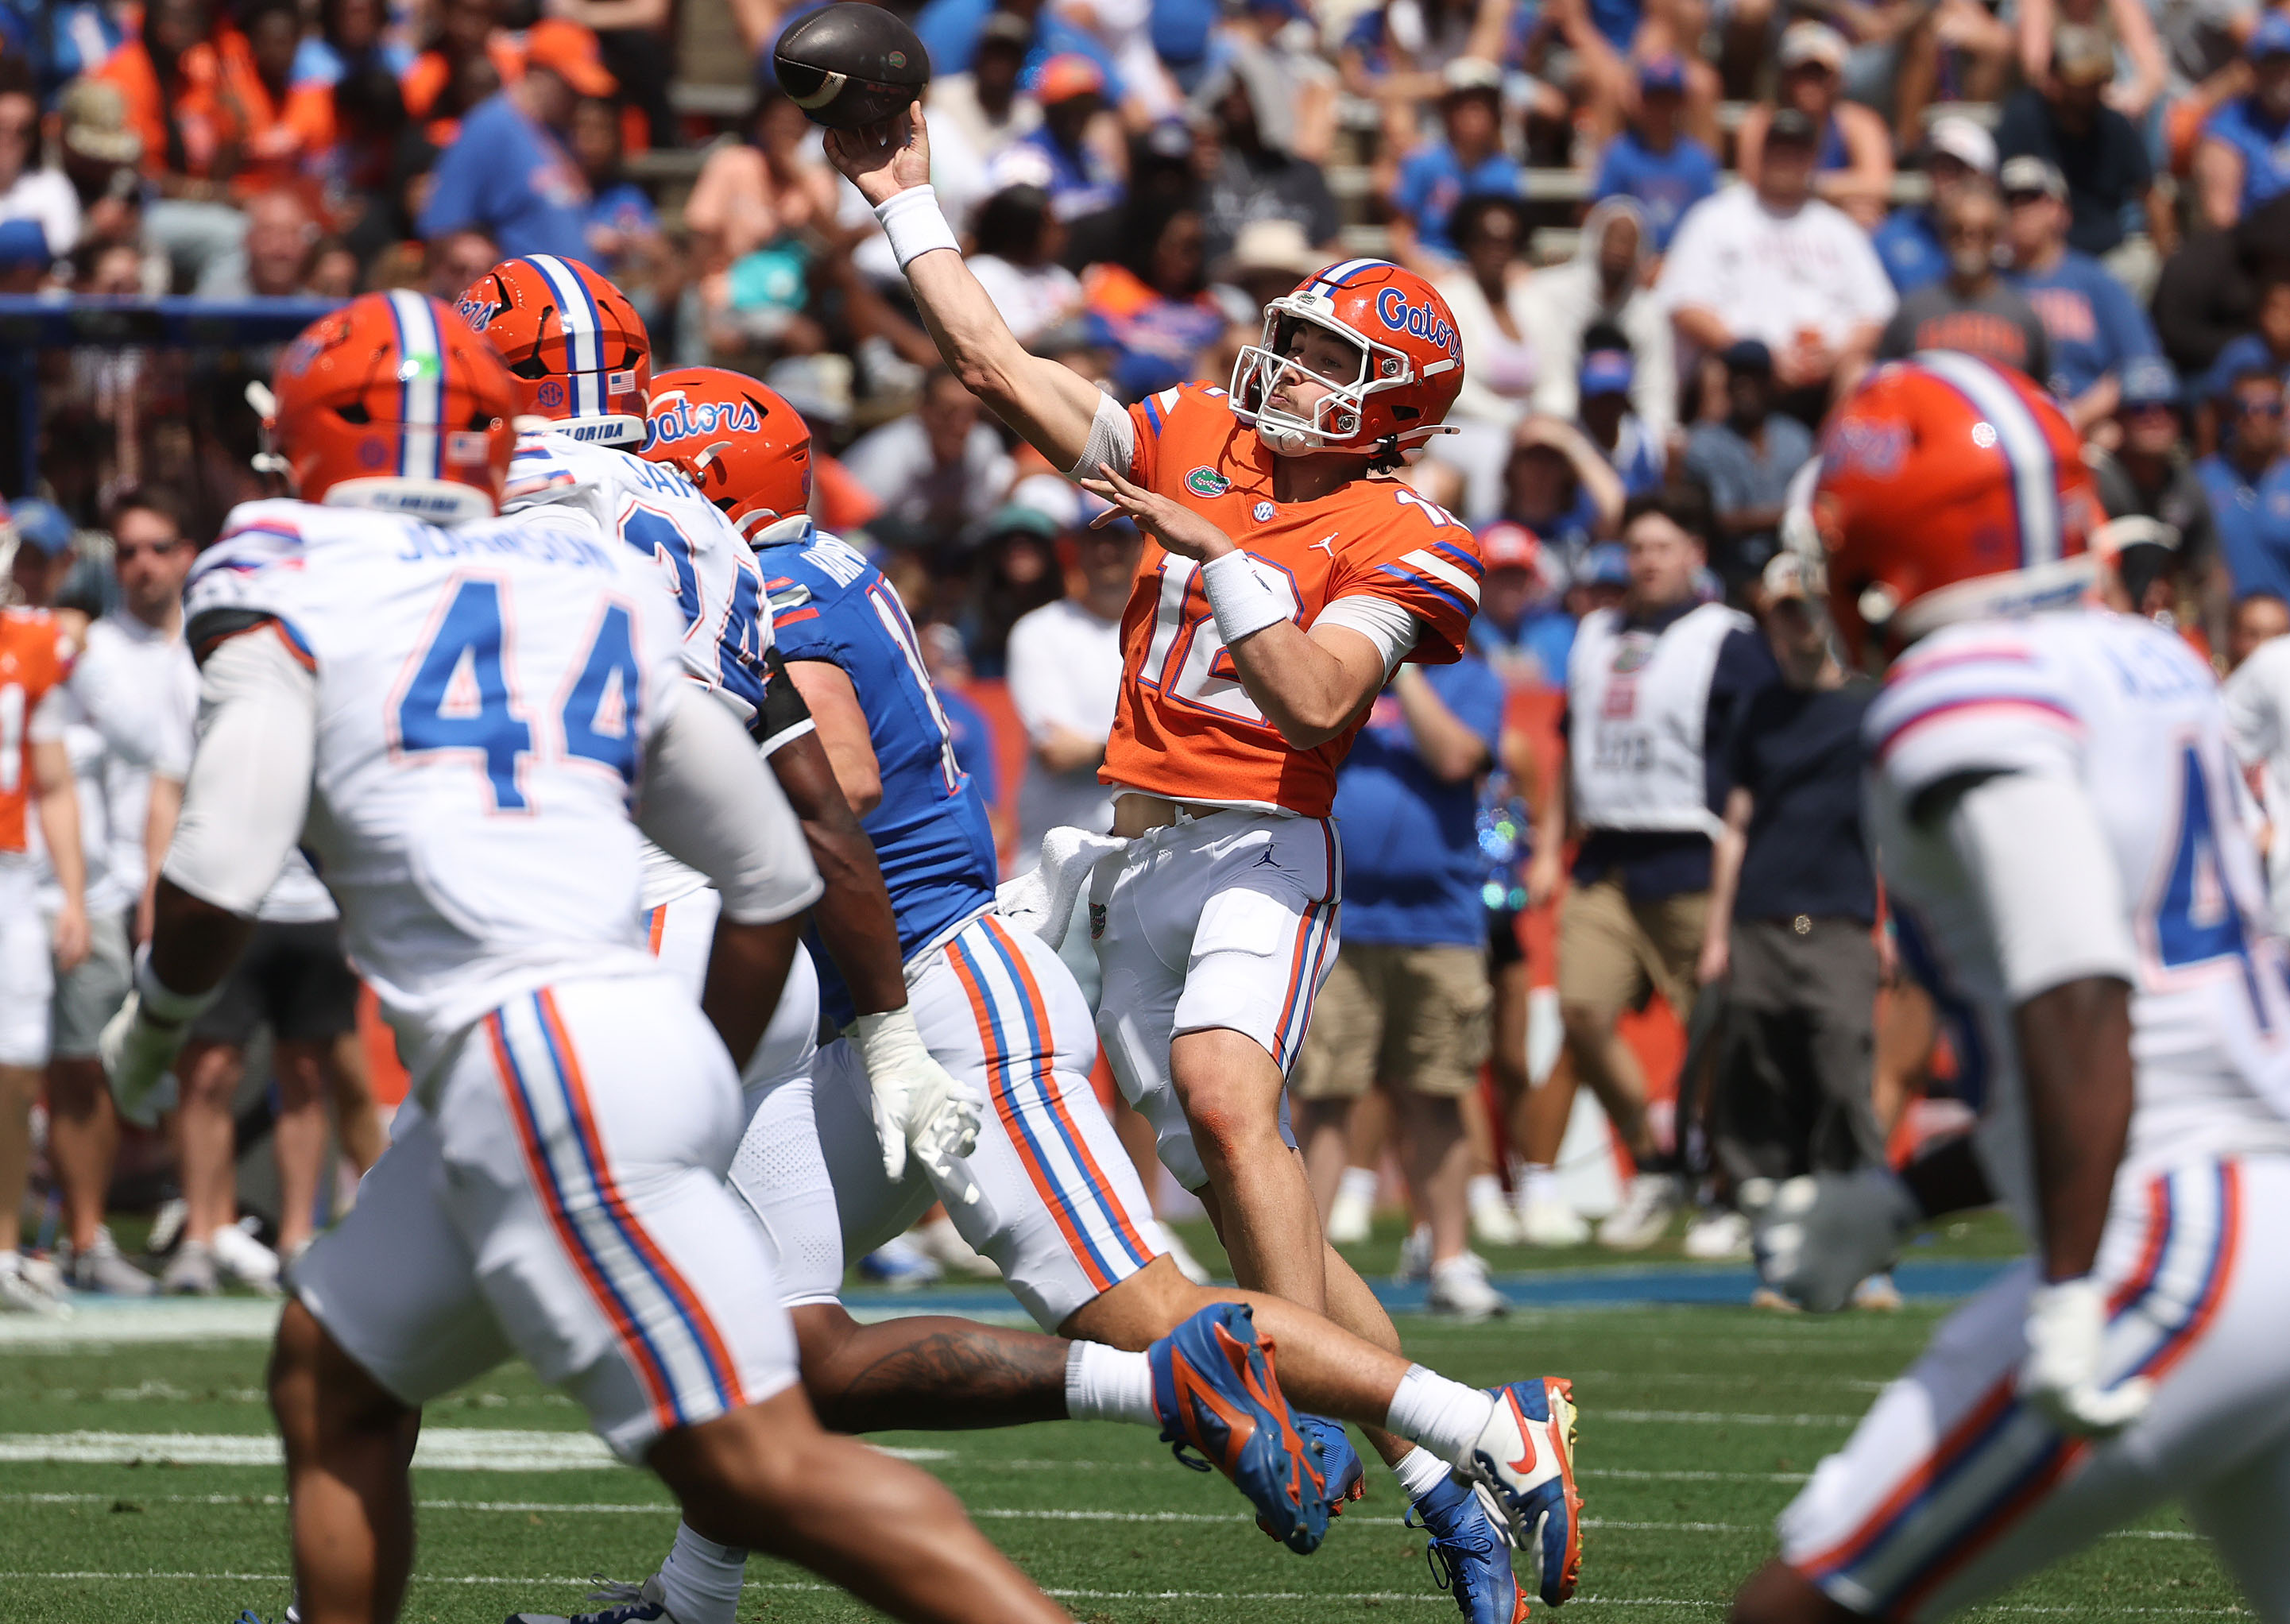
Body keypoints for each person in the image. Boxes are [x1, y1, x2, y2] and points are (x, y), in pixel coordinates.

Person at [523, 354, 1598, 1624]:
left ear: (705, 484)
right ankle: (695, 1599)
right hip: (861, 1011)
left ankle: (1477, 1422)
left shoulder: (771, 584)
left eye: (657, 472)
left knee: (1153, 1302)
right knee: (779, 1345)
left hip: (939, 1002)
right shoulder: (785, 569)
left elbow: (840, 789)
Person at [93, 289, 1097, 1624]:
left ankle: (1152, 1388)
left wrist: (152, 1029)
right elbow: (774, 861)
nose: (275, 460)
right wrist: (702, 1067)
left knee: (758, 1459)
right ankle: (1150, 1376)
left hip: (544, 1036)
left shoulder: (293, 560)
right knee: (330, 1364)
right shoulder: (620, 557)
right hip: (649, 1003)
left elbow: (222, 866)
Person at [824, 104, 1586, 1613]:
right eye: (1291, 339)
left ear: (1397, 416)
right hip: (1117, 858)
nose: (1289, 372)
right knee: (1237, 1196)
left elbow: (1312, 696)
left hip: (1258, 847)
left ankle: (1310, 1421)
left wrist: (1218, 550)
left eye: (1330, 363)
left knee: (1238, 1110)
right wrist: (908, 203)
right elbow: (997, 361)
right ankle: (1461, 1454)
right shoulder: (1195, 427)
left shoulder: (1408, 529)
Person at [1731, 354, 2290, 1624]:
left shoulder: (1964, 687)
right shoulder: (2149, 666)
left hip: (2178, 1238)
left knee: (1793, 1611)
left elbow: (2079, 991)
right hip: (2260, 1194)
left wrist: (2072, 1288)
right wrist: (1902, 1201)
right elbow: (2138, 1031)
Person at [1526, 493, 1776, 1250]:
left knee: (1717, 1034)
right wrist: (1547, 846)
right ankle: (1659, 1160)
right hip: (1606, 854)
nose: (1648, 562)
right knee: (1582, 1012)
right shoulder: (1596, 633)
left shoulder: (1726, 637)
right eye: (1637, 549)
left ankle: (1731, 1185)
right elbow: (1572, 746)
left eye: (1663, 547)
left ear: (1696, 552)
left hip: (1692, 851)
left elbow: (1757, 754)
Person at [1294, 648, 1510, 1320]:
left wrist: (1403, 672)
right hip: (1337, 911)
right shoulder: (1338, 662)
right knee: (1323, 1097)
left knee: (1437, 1094)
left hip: (1440, 919)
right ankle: (1306, 1271)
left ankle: (1449, 1261)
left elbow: (1454, 757)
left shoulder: (1472, 677)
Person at [1692, 552, 1886, 1267]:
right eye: (1785, 612)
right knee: (1758, 1084)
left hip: (1840, 918)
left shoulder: (1868, 707)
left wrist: (1888, 921)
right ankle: (1778, 1253)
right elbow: (1735, 827)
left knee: (1842, 1076)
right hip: (1760, 919)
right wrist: (1718, 935)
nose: (1799, 625)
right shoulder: (1756, 710)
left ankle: (1866, 1250)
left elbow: (1887, 828)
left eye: (1808, 608)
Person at [1658, 108, 1897, 417]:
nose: (1786, 159)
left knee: (1858, 373)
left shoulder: (1839, 229)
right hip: (1742, 368)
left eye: (1796, 151)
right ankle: (1713, 461)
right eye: (1778, 149)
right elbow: (1684, 304)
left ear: (1813, 159)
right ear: (1762, 154)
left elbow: (1877, 312)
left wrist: (1837, 354)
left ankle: (1835, 465)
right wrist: (1757, 356)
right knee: (1716, 373)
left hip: (1822, 373)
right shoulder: (1716, 217)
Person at [1006, 516, 1139, 860]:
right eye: (1094, 539)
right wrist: (1154, 747)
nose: (1106, 551)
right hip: (1052, 855)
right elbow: (1059, 752)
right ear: (1075, 549)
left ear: (1142, 545)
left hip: (1140, 853)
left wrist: (1095, 748)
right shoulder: (1039, 630)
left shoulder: (1166, 631)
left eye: (1119, 539)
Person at [416, 19, 602, 265]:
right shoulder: (489, 126)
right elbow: (443, 226)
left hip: (575, 296)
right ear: (539, 74)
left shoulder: (561, 133)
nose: (579, 99)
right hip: (523, 298)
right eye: (572, 88)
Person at [2003, 156, 2165, 431]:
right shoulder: (1990, 285)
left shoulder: (2098, 282)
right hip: (2008, 427)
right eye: (2009, 200)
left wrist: (2077, 416)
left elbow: (2140, 363)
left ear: (2061, 211)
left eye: (2031, 198)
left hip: (2088, 428)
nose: (2020, 209)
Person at [1995, 21, 2172, 265]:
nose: (2091, 93)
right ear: (2053, 81)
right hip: (2034, 256)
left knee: (2140, 266)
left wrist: (2167, 263)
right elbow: (1997, 192)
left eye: (2097, 82)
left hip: (2108, 257)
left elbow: (2151, 195)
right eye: (2081, 85)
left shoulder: (2114, 126)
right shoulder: (2022, 119)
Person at [2087, 357, 2226, 648]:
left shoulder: (2187, 485)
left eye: (2166, 407)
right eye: (2139, 408)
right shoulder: (2097, 481)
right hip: (2099, 628)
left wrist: (2218, 653)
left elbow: (2210, 574)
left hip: (2159, 631)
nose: (2154, 417)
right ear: (2119, 419)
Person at [1523, 199, 1677, 447]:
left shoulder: (1649, 313)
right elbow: (1554, 377)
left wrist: (1655, 440)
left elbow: (1655, 391)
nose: (1621, 248)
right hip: (1560, 418)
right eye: (1614, 237)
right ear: (1595, 239)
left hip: (1621, 426)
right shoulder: (1550, 292)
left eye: (1630, 241)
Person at [1877, 183, 2052, 381]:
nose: (1969, 240)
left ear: (1997, 237)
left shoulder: (2024, 316)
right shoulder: (1911, 312)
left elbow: (2036, 395)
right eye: (1957, 229)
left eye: (1983, 232)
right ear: (1943, 234)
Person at [1733, 22, 1896, 230]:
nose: (1809, 83)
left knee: (1866, 214)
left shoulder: (1859, 122)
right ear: (1785, 77)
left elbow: (1878, 184)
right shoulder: (1760, 121)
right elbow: (1753, 182)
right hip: (1771, 221)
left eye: (1819, 74)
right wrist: (1834, 193)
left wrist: (1809, 186)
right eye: (1802, 73)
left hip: (1834, 223)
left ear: (1838, 80)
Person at [1684, 339, 1816, 587]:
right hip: (1729, 575)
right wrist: (1790, 514)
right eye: (1738, 376)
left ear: (1770, 382)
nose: (1746, 385)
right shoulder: (1704, 442)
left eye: (1755, 376)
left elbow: (1814, 503)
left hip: (1791, 569)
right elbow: (1724, 520)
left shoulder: (1797, 438)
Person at [843, 367, 1016, 542]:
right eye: (949, 413)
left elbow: (980, 519)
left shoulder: (983, 445)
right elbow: (850, 527)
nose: (960, 426)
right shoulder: (886, 456)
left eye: (971, 414)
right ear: (924, 410)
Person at [1387, 58, 1521, 272]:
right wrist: (1423, 269)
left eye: (1480, 107)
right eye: (1463, 106)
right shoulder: (1422, 162)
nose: (1471, 115)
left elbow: (1511, 239)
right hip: (1429, 265)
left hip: (1484, 271)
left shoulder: (1505, 172)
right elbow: (1400, 233)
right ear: (1448, 111)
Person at [1588, 54, 1717, 254]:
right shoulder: (1618, 156)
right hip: (1630, 267)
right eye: (1654, 99)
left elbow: (1709, 225)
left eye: (1668, 99)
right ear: (1642, 101)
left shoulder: (1700, 162)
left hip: (1685, 266)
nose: (1661, 109)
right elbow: (1605, 220)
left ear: (1680, 103)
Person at [1870, 117, 1998, 296]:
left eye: (1956, 168)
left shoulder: (2008, 241)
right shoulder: (1893, 236)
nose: (1943, 178)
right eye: (1937, 166)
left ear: (1986, 178)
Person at [2197, 362, 2290, 602]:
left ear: (2284, 413)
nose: (2256, 418)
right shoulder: (2201, 481)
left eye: (2270, 408)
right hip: (2220, 632)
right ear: (2229, 414)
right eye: (2244, 407)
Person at [2195, 13, 2290, 230]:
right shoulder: (2226, 129)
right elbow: (2221, 218)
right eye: (2271, 65)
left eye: (2286, 64)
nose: (2282, 76)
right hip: (2262, 247)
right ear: (2254, 71)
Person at [0, 60, 79, 259]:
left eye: (23, 130)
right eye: (2, 127)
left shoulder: (51, 187)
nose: (10, 139)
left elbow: (63, 256)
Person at [1576, 345, 1664, 498]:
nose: (1607, 407)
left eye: (1614, 398)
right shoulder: (1571, 439)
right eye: (1600, 398)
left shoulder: (1642, 440)